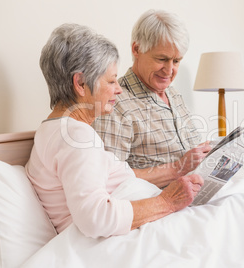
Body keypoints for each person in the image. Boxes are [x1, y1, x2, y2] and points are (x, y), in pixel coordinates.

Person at [25, 23, 204, 238]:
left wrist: (178, 172)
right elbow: (96, 218)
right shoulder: (78, 137)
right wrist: (167, 202)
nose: (119, 89)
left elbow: (110, 179)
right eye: (111, 81)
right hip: (117, 241)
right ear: (80, 83)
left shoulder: (52, 129)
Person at [92, 9, 211, 188]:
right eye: (162, 59)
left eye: (177, 61)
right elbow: (109, 179)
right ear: (137, 49)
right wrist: (178, 168)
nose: (170, 70)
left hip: (196, 192)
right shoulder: (115, 103)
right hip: (159, 203)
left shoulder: (175, 95)